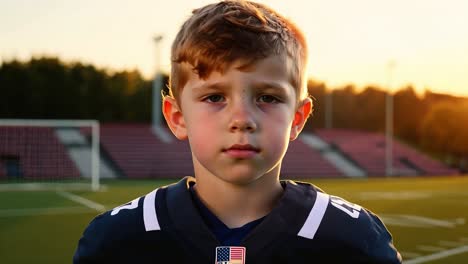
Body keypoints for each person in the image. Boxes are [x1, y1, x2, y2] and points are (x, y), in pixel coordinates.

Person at [73, 0, 402, 263]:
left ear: (298, 118)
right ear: (177, 117)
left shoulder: (353, 239)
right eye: (215, 97)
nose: (242, 118)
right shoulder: (117, 239)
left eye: (268, 98)